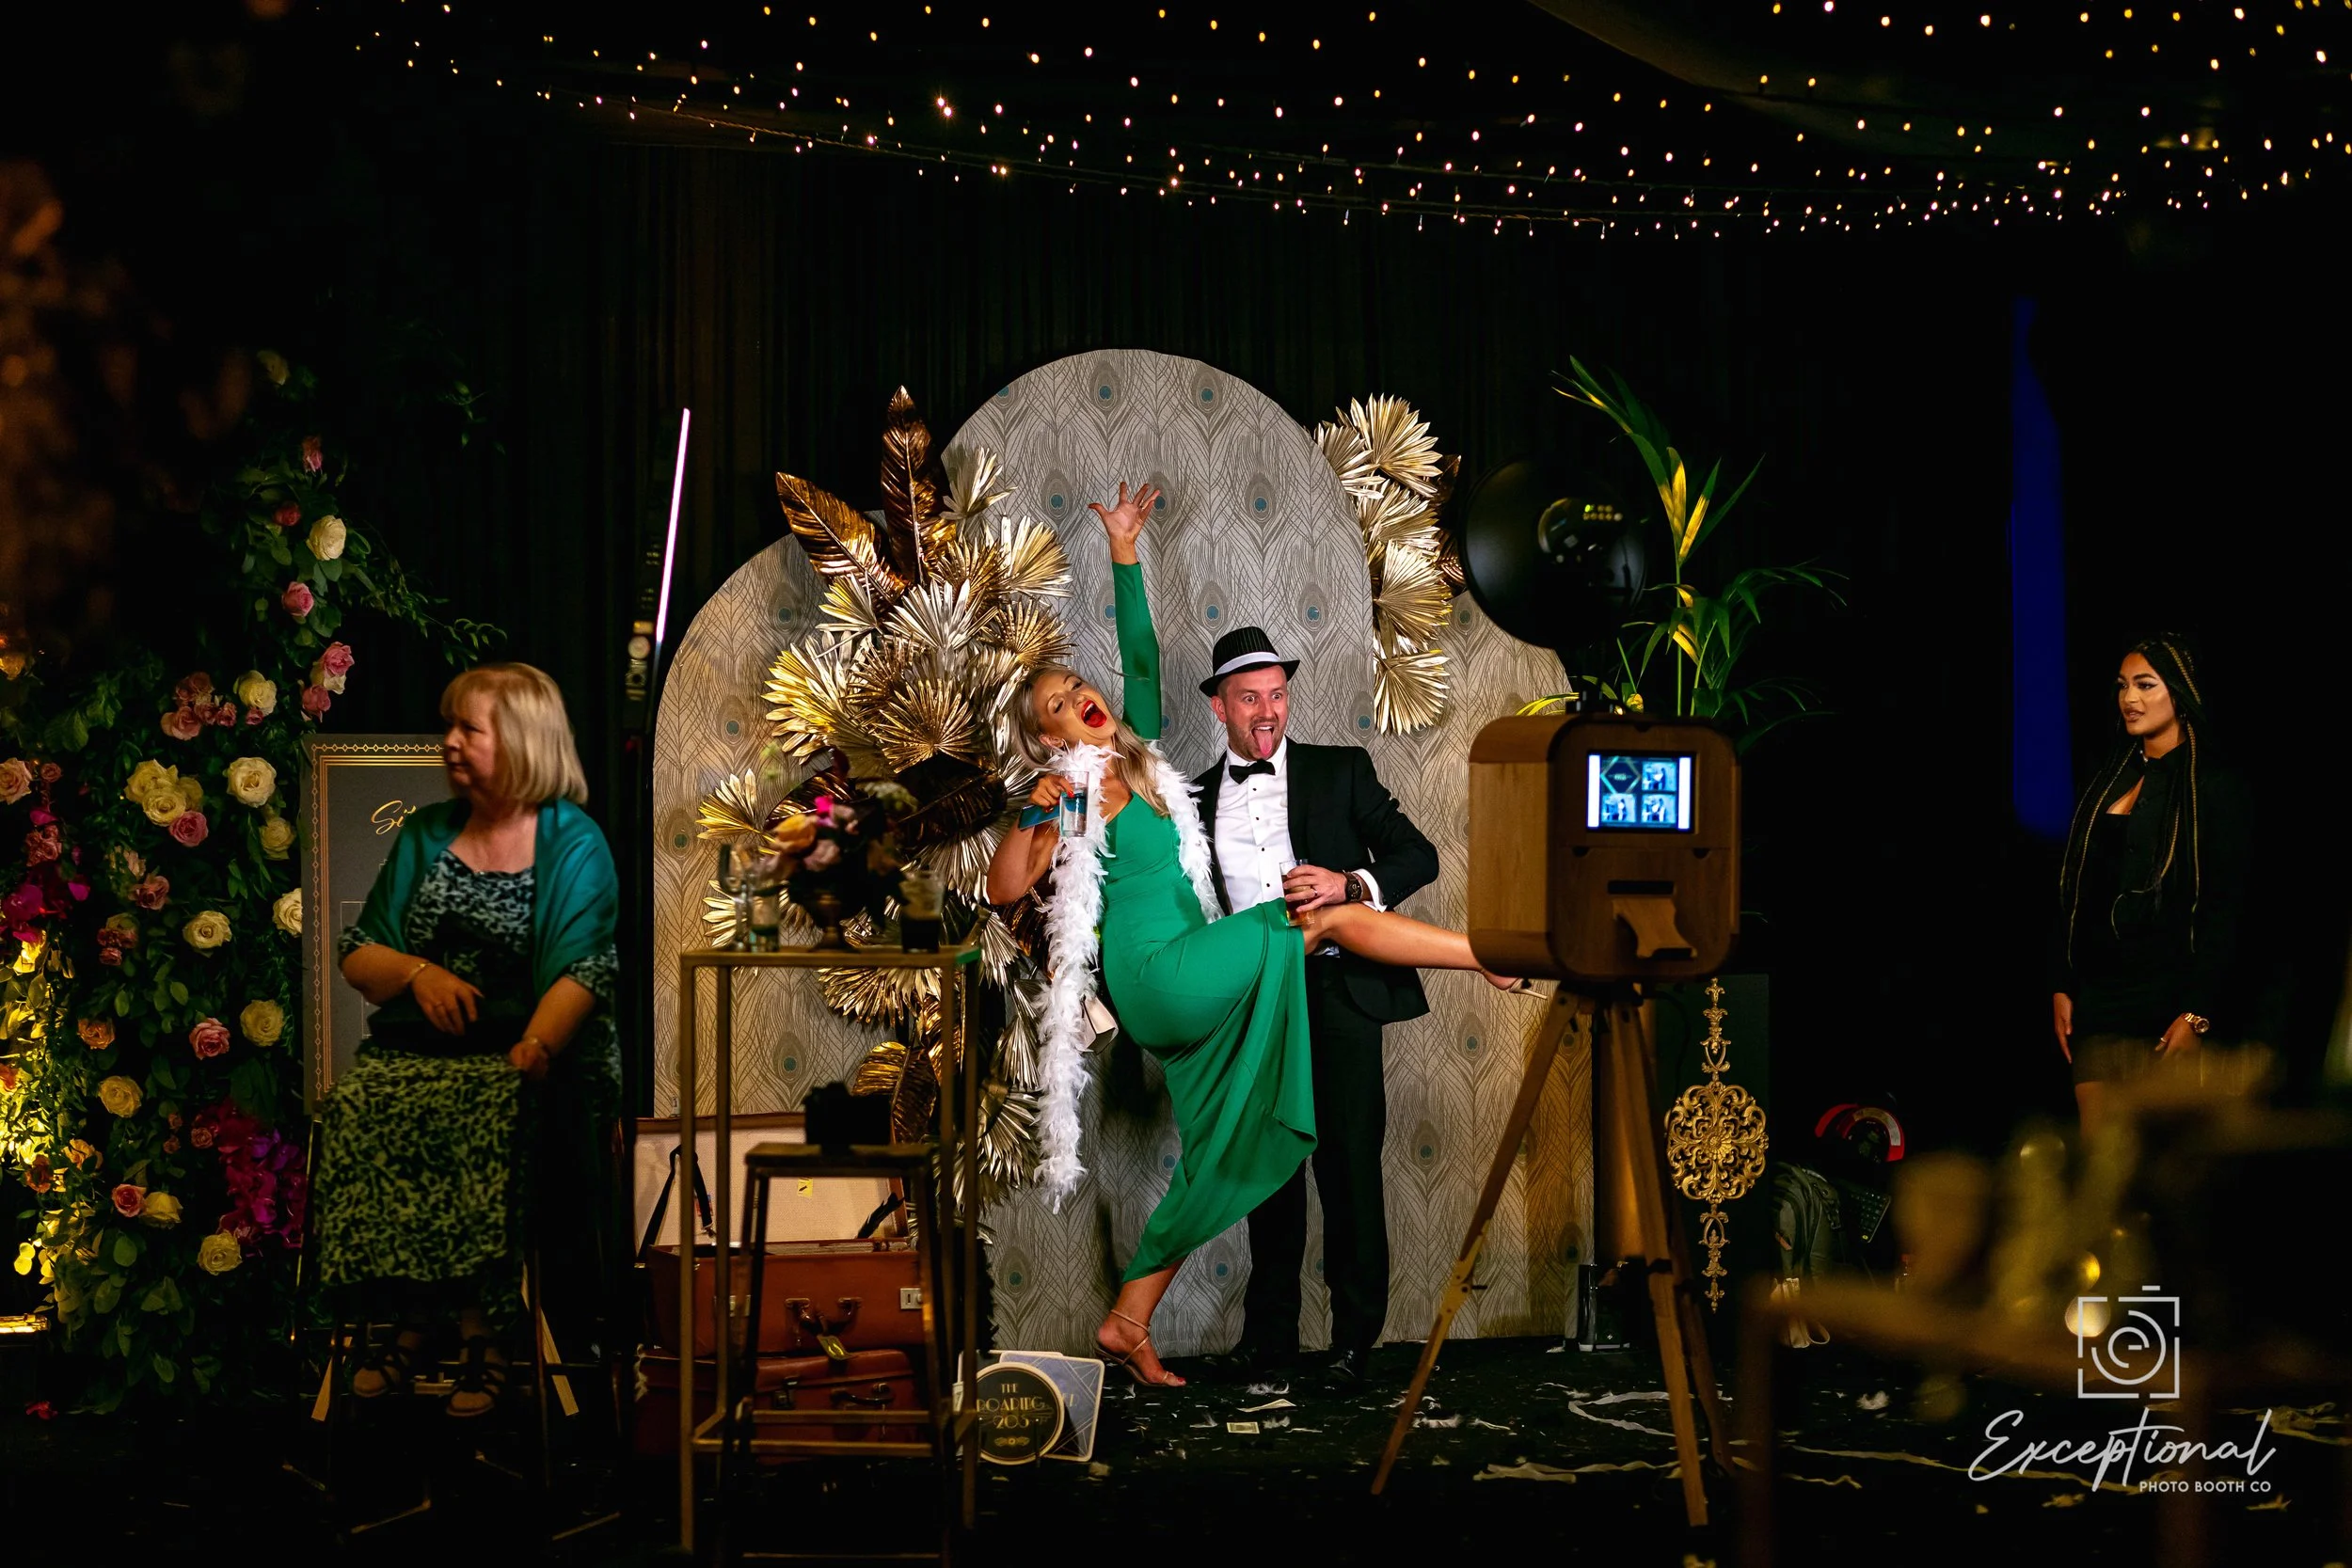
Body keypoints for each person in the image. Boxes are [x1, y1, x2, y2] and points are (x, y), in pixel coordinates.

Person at [985, 483, 1520, 1388]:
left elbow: (1143, 658)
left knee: (1229, 1148)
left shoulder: (1143, 761)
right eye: (1059, 701)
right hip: (1161, 975)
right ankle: (1490, 952)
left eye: (1078, 684)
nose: (1082, 697)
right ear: (1045, 738)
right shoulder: (1077, 784)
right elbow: (1005, 890)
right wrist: (1031, 818)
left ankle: (1130, 1319)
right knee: (1319, 915)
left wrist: (1125, 550)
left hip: (1216, 988)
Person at [312, 662, 619, 1416]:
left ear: (520, 740)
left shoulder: (573, 841)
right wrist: (418, 973)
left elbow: (585, 968)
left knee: (482, 1112)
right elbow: (360, 953)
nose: (448, 741)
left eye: (467, 728)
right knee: (360, 1105)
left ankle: (485, 1330)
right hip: (419, 1050)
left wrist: (537, 1046)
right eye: (449, 726)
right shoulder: (426, 834)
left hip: (530, 1055)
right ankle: (408, 1320)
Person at [1190, 618, 1438, 1386]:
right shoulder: (1192, 802)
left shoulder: (1341, 770)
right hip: (1254, 999)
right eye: (1249, 697)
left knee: (1348, 1168)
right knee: (1269, 1174)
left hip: (1338, 989)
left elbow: (1416, 855)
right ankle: (1271, 1343)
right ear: (1219, 708)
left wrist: (1348, 884)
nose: (1267, 711)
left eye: (1277, 695)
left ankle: (1354, 1340)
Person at [2051, 636, 2249, 1136]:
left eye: (2145, 685)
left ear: (2178, 693)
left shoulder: (2212, 787)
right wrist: (2063, 982)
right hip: (2099, 998)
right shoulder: (2109, 777)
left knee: (2159, 1167)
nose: (2129, 699)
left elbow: (2225, 909)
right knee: (2100, 1159)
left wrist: (2196, 1014)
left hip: (2165, 999)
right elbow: (2079, 891)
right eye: (2122, 686)